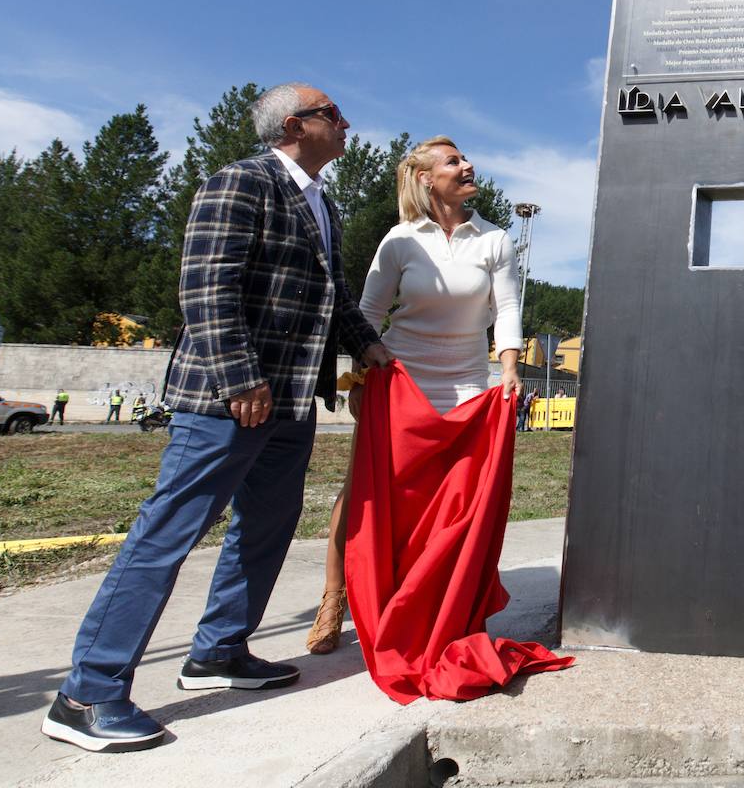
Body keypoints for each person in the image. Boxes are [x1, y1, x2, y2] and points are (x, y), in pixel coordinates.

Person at [43, 83, 390, 754]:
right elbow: (206, 286)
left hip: (289, 400)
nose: (346, 124)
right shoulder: (240, 182)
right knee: (168, 531)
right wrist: (240, 377)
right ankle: (87, 692)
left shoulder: (323, 202)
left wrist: (370, 344)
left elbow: (334, 293)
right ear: (295, 124)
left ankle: (219, 650)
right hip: (228, 398)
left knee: (266, 526)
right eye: (333, 115)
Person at [305, 136, 522, 655]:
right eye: (454, 161)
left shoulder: (494, 240)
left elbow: (508, 309)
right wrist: (362, 372)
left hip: (468, 381)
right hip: (400, 376)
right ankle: (335, 598)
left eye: (466, 157)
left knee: (457, 502)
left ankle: (439, 602)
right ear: (426, 178)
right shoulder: (400, 240)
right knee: (367, 490)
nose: (468, 165)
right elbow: (367, 312)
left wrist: (508, 369)